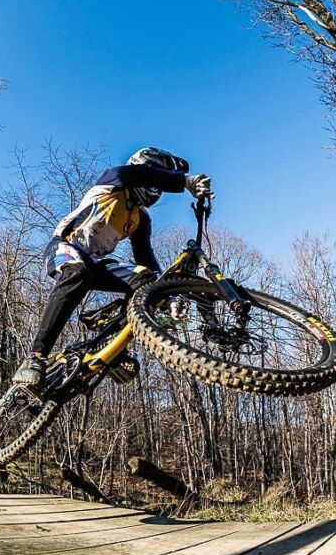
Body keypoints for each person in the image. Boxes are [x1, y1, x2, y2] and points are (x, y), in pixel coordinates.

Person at [13, 147, 214, 387]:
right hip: (64, 249)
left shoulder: (140, 219)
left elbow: (146, 259)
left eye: (159, 184)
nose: (155, 188)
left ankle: (112, 349)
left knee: (147, 280)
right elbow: (141, 175)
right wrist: (185, 182)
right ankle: (35, 357)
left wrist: (166, 296)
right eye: (154, 178)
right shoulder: (114, 180)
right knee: (78, 272)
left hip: (94, 264)